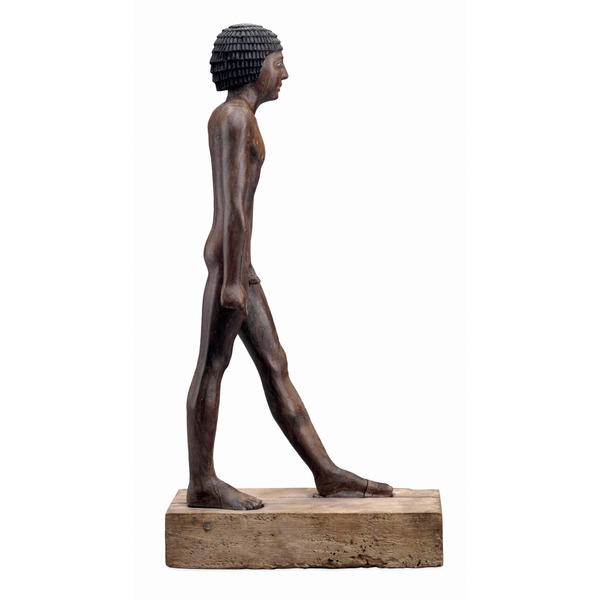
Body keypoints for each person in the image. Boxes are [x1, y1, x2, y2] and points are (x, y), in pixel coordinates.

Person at [186, 24, 393, 509]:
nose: (284, 74)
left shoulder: (237, 117)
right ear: (254, 65)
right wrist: (233, 281)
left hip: (239, 263)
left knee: (275, 364)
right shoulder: (234, 117)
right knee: (212, 367)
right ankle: (202, 482)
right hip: (231, 266)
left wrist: (240, 271)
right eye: (278, 64)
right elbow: (234, 206)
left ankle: (325, 472)